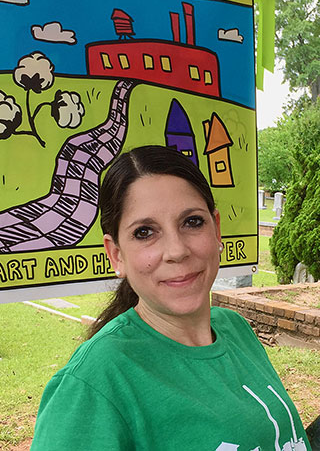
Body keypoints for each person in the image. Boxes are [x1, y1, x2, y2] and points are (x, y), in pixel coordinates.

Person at [31, 145, 311, 450]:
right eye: (144, 232)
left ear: (216, 230)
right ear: (116, 255)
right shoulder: (91, 386)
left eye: (192, 222)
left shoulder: (235, 328)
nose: (177, 250)